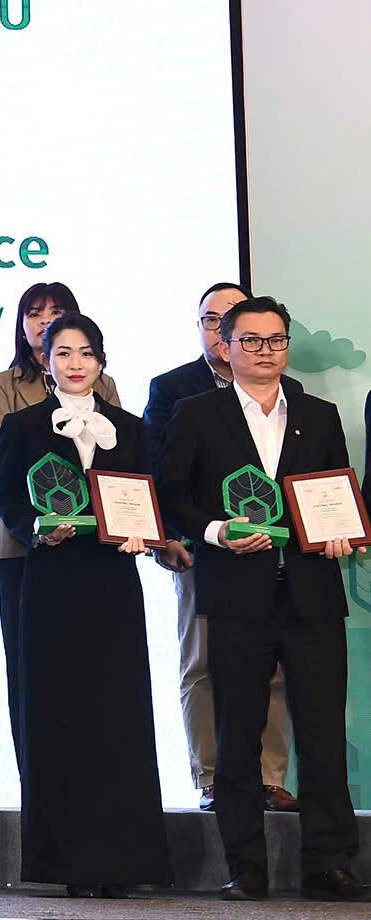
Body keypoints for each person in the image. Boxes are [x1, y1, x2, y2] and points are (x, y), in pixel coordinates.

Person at [160, 296, 367, 902]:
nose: (265, 351)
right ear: (225, 347)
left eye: (276, 340)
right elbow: (172, 494)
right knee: (238, 732)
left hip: (312, 595)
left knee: (323, 736)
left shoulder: (319, 414)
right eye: (250, 340)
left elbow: (336, 493)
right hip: (236, 595)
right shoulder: (198, 414)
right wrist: (214, 530)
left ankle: (329, 865)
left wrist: (340, 533)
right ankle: (245, 868)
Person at [0, 313, 175, 896]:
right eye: (63, 353)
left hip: (113, 581)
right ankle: (68, 862)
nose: (75, 363)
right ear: (45, 362)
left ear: (101, 361)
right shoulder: (22, 426)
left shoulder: (131, 427)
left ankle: (124, 861)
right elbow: (5, 499)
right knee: (59, 713)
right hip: (51, 583)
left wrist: (148, 535)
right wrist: (37, 528)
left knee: (119, 714)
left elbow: (149, 498)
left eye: (86, 353)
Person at [145, 282, 297, 813]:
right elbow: (161, 474)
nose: (222, 328)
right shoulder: (173, 389)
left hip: (274, 555)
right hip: (201, 551)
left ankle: (269, 777)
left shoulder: (289, 392)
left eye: (232, 317)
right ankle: (212, 776)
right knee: (203, 662)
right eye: (212, 319)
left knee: (275, 666)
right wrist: (171, 537)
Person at [0, 282, 121, 775]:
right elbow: (3, 459)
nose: (44, 321)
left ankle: (92, 775)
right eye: (34, 313)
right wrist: (47, 516)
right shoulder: (6, 383)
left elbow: (118, 462)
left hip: (92, 544)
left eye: (55, 311)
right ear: (22, 326)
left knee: (91, 664)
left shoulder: (104, 384)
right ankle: (35, 779)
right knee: (28, 665)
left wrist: (91, 517)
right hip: (22, 542)